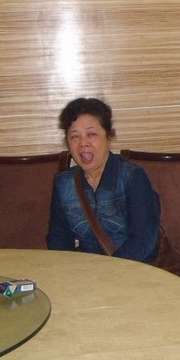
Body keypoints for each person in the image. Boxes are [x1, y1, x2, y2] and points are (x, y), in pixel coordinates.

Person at [47, 97, 161, 263]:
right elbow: (59, 239)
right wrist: (72, 270)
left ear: (107, 136)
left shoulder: (132, 177)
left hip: (133, 269)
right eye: (75, 136)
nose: (83, 143)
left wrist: (107, 271)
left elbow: (143, 242)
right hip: (87, 270)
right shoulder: (64, 183)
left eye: (91, 134)